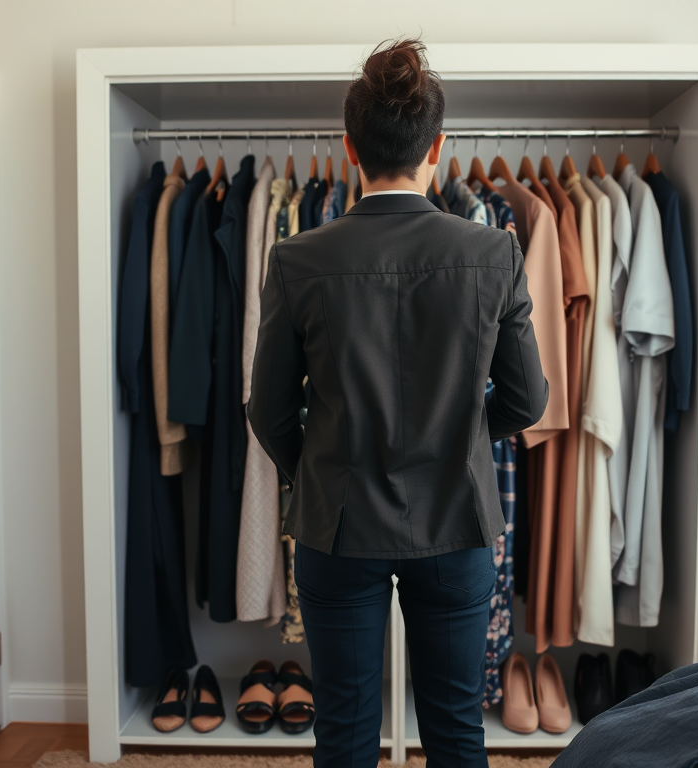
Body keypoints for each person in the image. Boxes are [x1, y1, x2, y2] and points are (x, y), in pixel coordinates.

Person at [248, 38, 548, 768]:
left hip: (339, 525)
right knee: (454, 730)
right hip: (455, 515)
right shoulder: (493, 253)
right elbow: (527, 398)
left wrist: (317, 465)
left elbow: (268, 409)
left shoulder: (298, 258)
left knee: (345, 732)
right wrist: (466, 437)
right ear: (437, 148)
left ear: (350, 149)